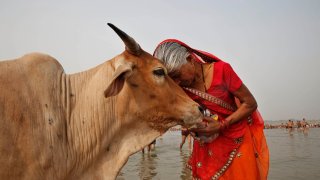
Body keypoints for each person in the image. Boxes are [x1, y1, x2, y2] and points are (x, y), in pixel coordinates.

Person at [153, 39, 269, 180]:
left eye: (177, 76)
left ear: (190, 59)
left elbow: (250, 103)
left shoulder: (221, 71)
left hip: (237, 138)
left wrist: (221, 125)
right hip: (206, 145)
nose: (177, 83)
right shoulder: (181, 89)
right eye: (172, 80)